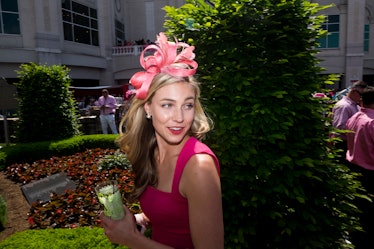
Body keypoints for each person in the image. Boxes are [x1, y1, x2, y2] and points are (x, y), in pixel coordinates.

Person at [99, 32, 224, 249]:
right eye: (167, 105)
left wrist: (131, 239)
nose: (179, 117)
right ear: (148, 108)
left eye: (188, 105)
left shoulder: (199, 167)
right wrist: (141, 220)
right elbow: (174, 214)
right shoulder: (152, 150)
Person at [345, 86, 374, 249]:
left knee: (358, 209)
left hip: (355, 168)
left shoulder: (355, 116)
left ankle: (356, 237)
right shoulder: (372, 122)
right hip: (370, 172)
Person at [331, 80, 367, 162]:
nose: (362, 98)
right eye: (361, 95)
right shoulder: (344, 106)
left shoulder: (354, 105)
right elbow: (339, 127)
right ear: (354, 91)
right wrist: (358, 133)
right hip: (342, 143)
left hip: (348, 143)